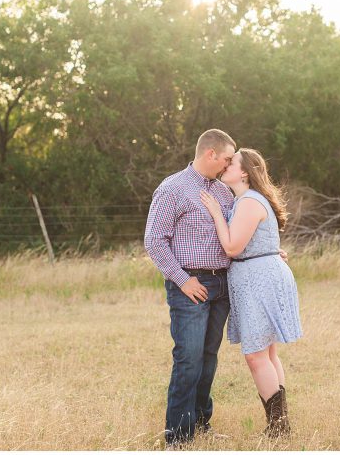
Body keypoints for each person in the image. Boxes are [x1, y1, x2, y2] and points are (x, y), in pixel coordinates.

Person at [200, 148, 303, 438]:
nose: (226, 165)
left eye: (232, 163)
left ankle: (279, 428)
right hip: (259, 275)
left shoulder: (248, 202)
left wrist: (217, 216)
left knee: (256, 356)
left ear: (244, 172)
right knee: (267, 353)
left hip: (259, 279)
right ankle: (280, 424)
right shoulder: (246, 200)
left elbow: (232, 247)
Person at [144, 129, 237, 447]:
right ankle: (178, 437)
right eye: (226, 159)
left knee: (209, 356)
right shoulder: (173, 188)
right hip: (191, 285)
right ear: (210, 154)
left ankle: (200, 422)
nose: (228, 165)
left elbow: (235, 235)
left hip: (222, 284)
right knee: (188, 358)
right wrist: (183, 280)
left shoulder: (224, 193)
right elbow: (154, 241)